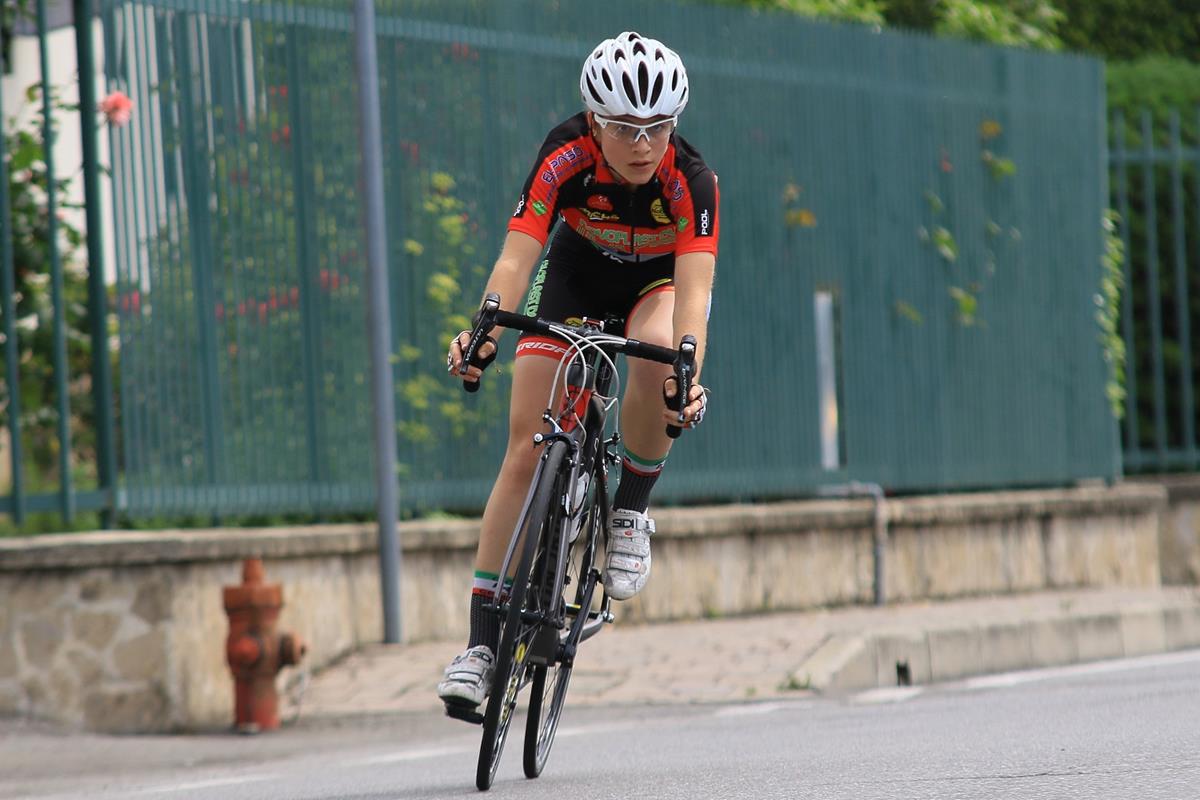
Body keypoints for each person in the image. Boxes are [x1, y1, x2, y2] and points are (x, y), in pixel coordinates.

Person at [438, 31, 719, 711]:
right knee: (524, 446)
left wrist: (687, 374)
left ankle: (630, 512)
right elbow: (518, 258)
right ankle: (480, 646)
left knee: (657, 352)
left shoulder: (693, 181)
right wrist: (482, 331)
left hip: (656, 286)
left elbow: (694, 298)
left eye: (657, 127)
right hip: (574, 275)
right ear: (594, 121)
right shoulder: (564, 153)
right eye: (624, 128)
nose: (642, 144)